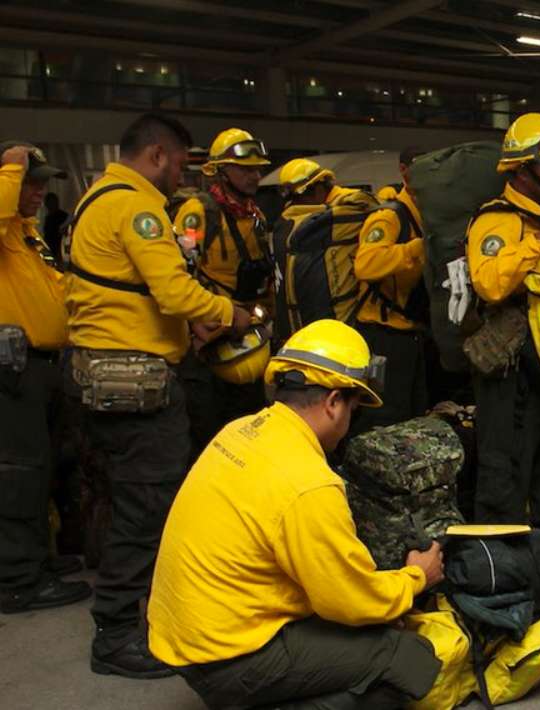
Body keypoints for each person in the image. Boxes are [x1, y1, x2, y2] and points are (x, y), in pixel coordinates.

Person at [148, 319, 444, 709]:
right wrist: (416, 578)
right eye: (354, 410)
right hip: (228, 660)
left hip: (187, 640)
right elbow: (351, 601)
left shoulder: (240, 431)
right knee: (407, 658)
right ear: (334, 402)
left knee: (370, 626)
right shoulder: (309, 482)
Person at [63, 113, 252, 677]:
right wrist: (230, 314)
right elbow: (173, 289)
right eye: (180, 163)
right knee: (146, 509)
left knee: (132, 502)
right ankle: (117, 637)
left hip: (103, 374)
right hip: (134, 380)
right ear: (157, 155)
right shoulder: (137, 205)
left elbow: (134, 290)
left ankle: (133, 619)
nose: (181, 176)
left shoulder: (96, 197)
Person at [465, 112, 540, 562]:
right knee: (507, 463)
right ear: (520, 168)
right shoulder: (496, 219)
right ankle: (500, 555)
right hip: (512, 365)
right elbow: (490, 283)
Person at [0, 141, 92, 615]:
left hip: (41, 369)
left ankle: (35, 560)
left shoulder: (24, 236)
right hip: (12, 373)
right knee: (18, 475)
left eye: (41, 183)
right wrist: (10, 169)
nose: (38, 192)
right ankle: (16, 579)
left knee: (42, 473)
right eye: (29, 182)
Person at [173, 128, 274, 451]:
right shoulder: (198, 213)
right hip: (210, 340)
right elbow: (179, 273)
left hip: (248, 335)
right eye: (245, 169)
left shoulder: (256, 215)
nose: (254, 176)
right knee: (210, 430)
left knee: (252, 423)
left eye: (258, 169)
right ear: (219, 170)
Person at [349, 148, 432, 437]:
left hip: (413, 335)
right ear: (404, 171)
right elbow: (366, 264)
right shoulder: (389, 216)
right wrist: (417, 248)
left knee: (413, 415)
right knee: (383, 421)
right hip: (383, 336)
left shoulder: (426, 215)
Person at [42, 190, 69, 260]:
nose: (51, 205)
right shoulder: (47, 218)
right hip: (50, 249)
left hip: (60, 250)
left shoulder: (63, 216)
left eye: (53, 202)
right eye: (49, 203)